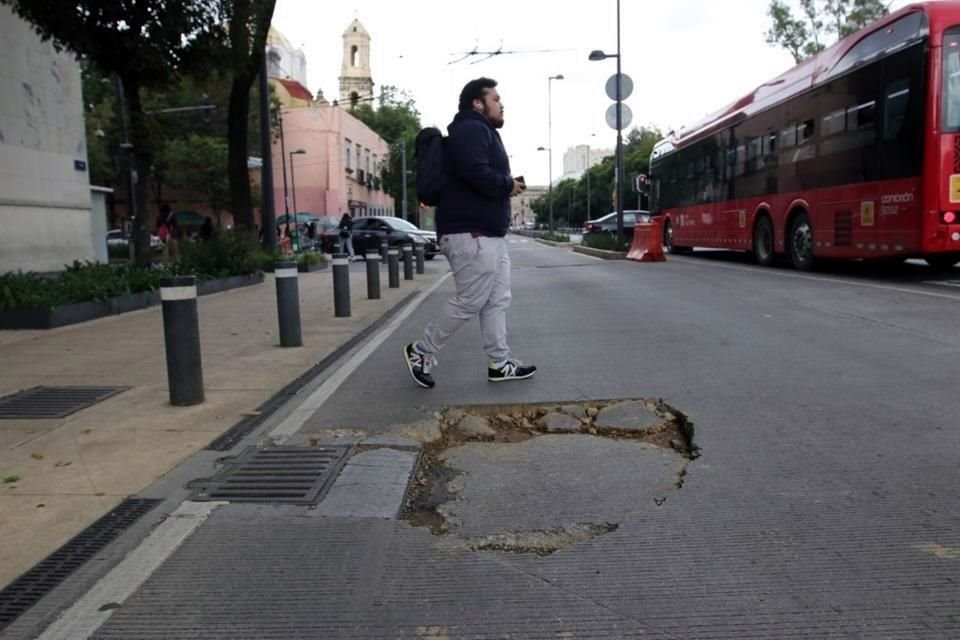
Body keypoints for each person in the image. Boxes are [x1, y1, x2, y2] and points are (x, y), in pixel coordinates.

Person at [403, 77, 534, 389]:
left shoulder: (479, 130)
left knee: (497, 299)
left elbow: (475, 173)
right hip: (470, 233)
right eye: (495, 99)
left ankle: (499, 363)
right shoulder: (470, 129)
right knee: (470, 300)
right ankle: (421, 351)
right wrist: (508, 185)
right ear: (478, 103)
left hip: (487, 233)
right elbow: (474, 171)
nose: (501, 104)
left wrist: (506, 185)